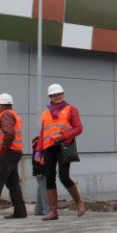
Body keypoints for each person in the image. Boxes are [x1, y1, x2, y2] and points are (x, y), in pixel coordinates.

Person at [40, 84, 85, 221]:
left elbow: (78, 128)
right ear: (50, 97)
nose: (57, 97)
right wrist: (38, 151)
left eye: (59, 94)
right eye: (54, 95)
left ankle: (79, 203)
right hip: (49, 147)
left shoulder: (71, 109)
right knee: (49, 177)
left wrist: (64, 137)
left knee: (64, 176)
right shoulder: (45, 113)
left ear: (63, 95)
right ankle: (53, 211)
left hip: (64, 146)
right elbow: (43, 133)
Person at [31, 136, 49, 216]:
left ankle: (38, 210)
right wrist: (39, 170)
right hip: (42, 170)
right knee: (44, 190)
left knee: (41, 189)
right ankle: (47, 210)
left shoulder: (41, 141)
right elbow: (37, 158)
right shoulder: (39, 142)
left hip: (42, 169)